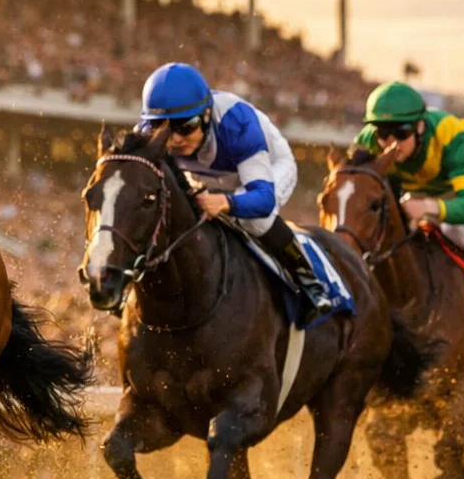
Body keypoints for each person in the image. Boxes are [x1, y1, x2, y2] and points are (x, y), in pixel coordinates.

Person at [139, 62, 333, 316]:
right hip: (207, 178)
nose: (174, 139)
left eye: (185, 127)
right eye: (162, 128)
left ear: (207, 115)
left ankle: (309, 282)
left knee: (256, 222)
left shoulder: (236, 123)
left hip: (269, 168)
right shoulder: (146, 133)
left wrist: (226, 203)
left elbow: (262, 200)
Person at [354, 81, 464, 324]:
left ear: (420, 126)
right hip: (422, 189)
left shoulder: (451, 136)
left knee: (458, 229)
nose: (391, 144)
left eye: (401, 133)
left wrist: (428, 207)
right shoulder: (368, 142)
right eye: (383, 133)